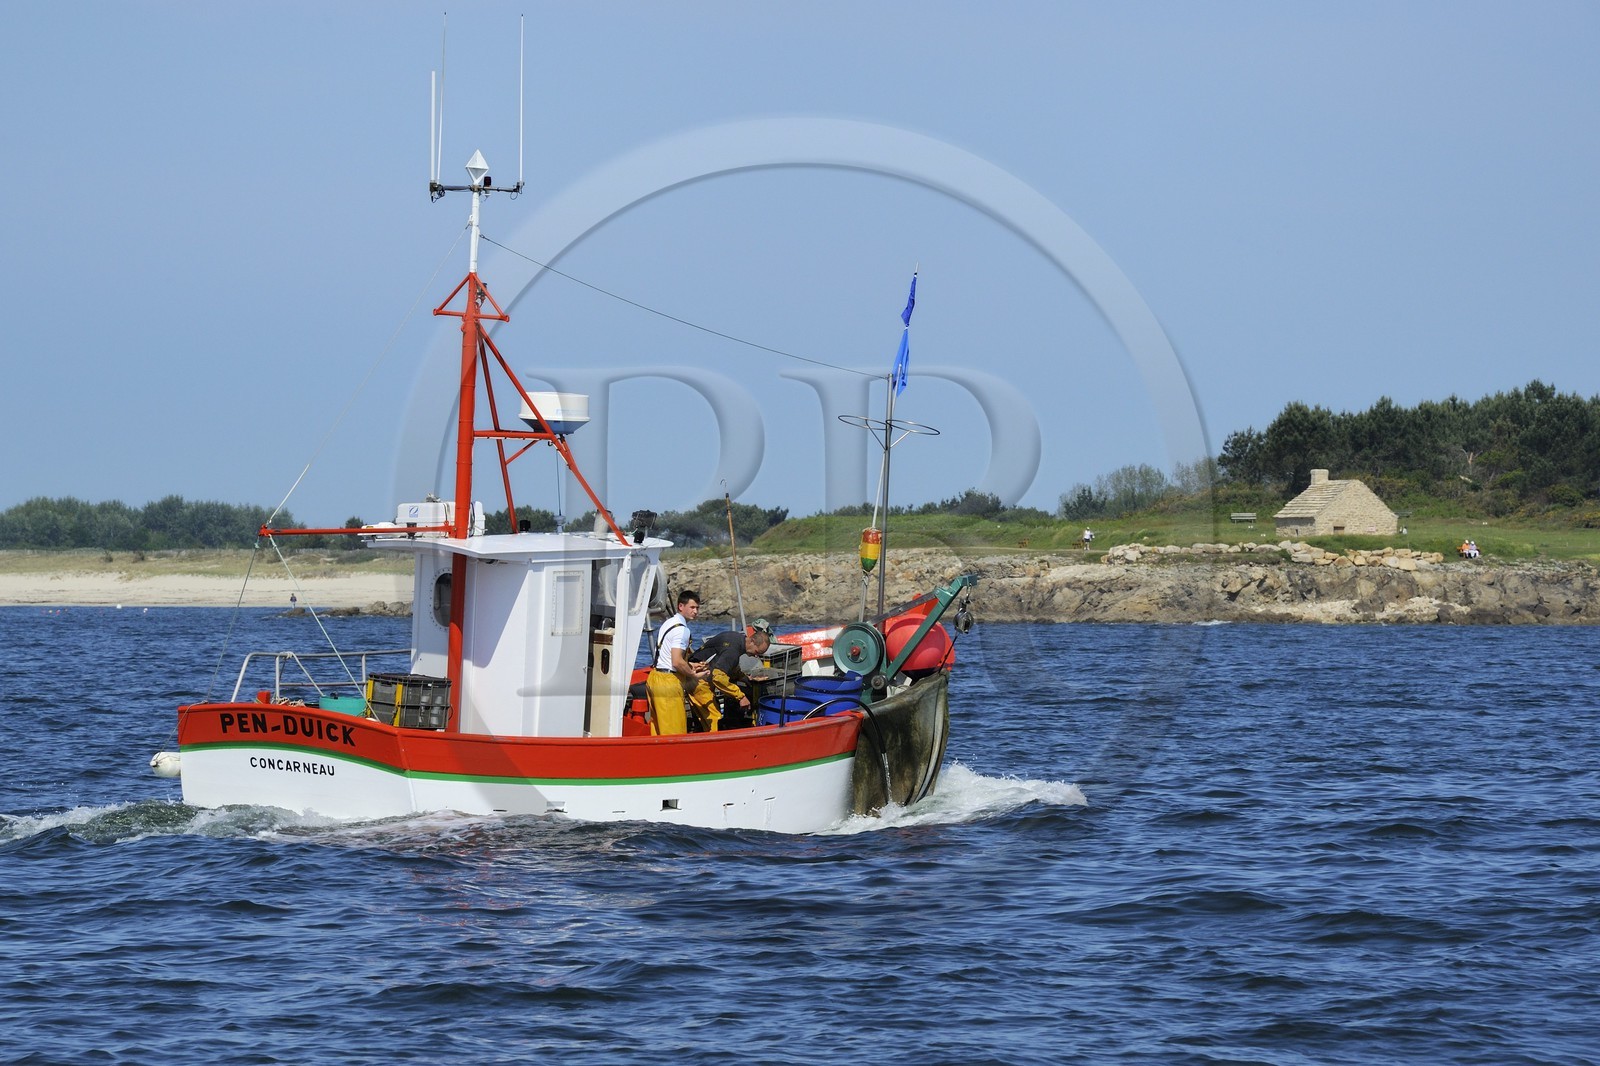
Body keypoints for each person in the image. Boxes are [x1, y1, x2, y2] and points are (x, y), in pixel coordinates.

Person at [688, 619, 774, 730]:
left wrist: (745, 678)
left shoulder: (737, 639)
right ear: (752, 641)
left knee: (704, 720)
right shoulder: (733, 650)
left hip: (701, 678)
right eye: (757, 652)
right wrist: (740, 697)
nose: (756, 656)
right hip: (698, 682)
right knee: (714, 718)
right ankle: (715, 745)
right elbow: (718, 677)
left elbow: (728, 665)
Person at [645, 590, 710, 736]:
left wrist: (691, 665)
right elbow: (676, 661)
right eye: (692, 607)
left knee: (659, 729)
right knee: (674, 733)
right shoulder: (682, 630)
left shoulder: (669, 623)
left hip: (655, 678)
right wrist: (693, 674)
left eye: (697, 608)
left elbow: (667, 656)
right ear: (681, 606)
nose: (695, 611)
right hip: (668, 684)